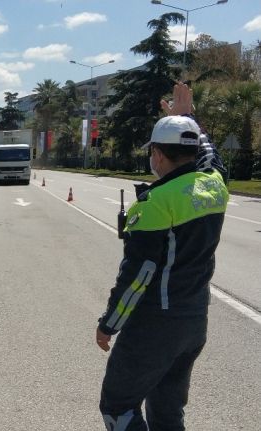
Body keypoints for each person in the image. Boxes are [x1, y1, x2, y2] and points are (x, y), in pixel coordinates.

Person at [96, 84, 229, 430]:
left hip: (156, 324)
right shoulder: (214, 185)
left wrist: (109, 323)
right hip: (194, 321)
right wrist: (188, 119)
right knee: (167, 412)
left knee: (118, 406)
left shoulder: (155, 204)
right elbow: (211, 157)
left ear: (156, 153)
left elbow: (138, 278)